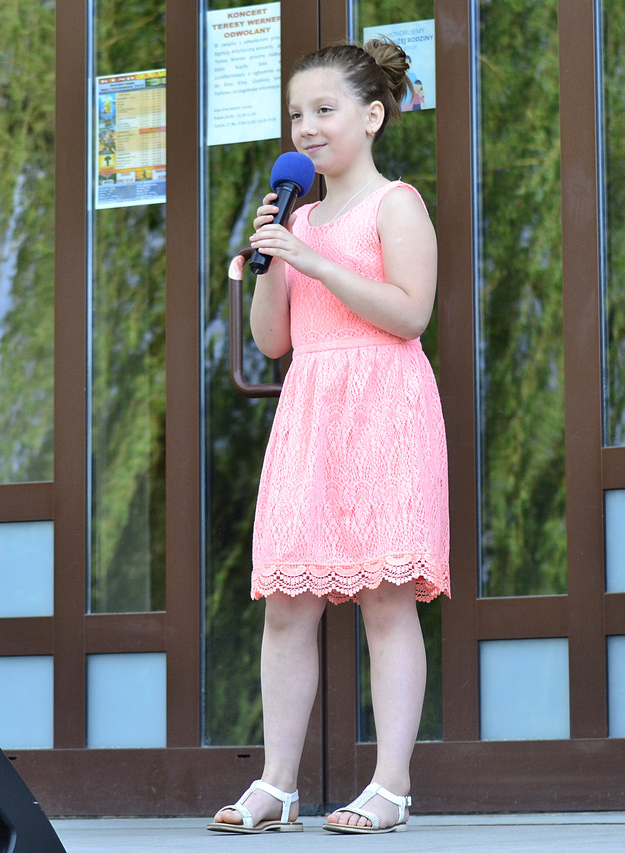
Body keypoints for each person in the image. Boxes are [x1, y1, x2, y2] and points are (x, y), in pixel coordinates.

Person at [207, 38, 449, 836]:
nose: (305, 128)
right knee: (286, 604)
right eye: (295, 115)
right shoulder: (296, 217)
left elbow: (409, 314)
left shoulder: (397, 204)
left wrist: (313, 260)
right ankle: (277, 784)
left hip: (384, 406)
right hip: (310, 410)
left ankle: (391, 785)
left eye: (323, 110)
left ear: (372, 116)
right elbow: (272, 339)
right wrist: (275, 255)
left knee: (386, 599)